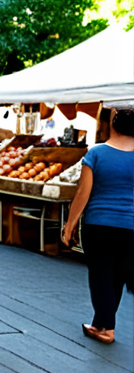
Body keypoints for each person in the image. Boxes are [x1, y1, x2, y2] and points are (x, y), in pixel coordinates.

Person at [62, 108, 134, 344]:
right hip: (130, 226)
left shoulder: (97, 153)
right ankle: (100, 323)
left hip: (98, 224)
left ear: (113, 124)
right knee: (117, 277)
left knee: (100, 274)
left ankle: (106, 328)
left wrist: (70, 224)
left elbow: (83, 192)